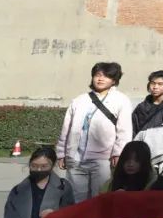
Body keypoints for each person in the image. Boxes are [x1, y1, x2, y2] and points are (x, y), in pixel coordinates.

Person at [55, 61, 134, 201]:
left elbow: (124, 130)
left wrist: (118, 153)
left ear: (114, 80)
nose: (100, 78)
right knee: (76, 200)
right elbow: (66, 128)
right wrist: (61, 153)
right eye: (97, 75)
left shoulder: (121, 100)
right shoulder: (79, 100)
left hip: (103, 160)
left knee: (100, 198)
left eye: (106, 76)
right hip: (75, 158)